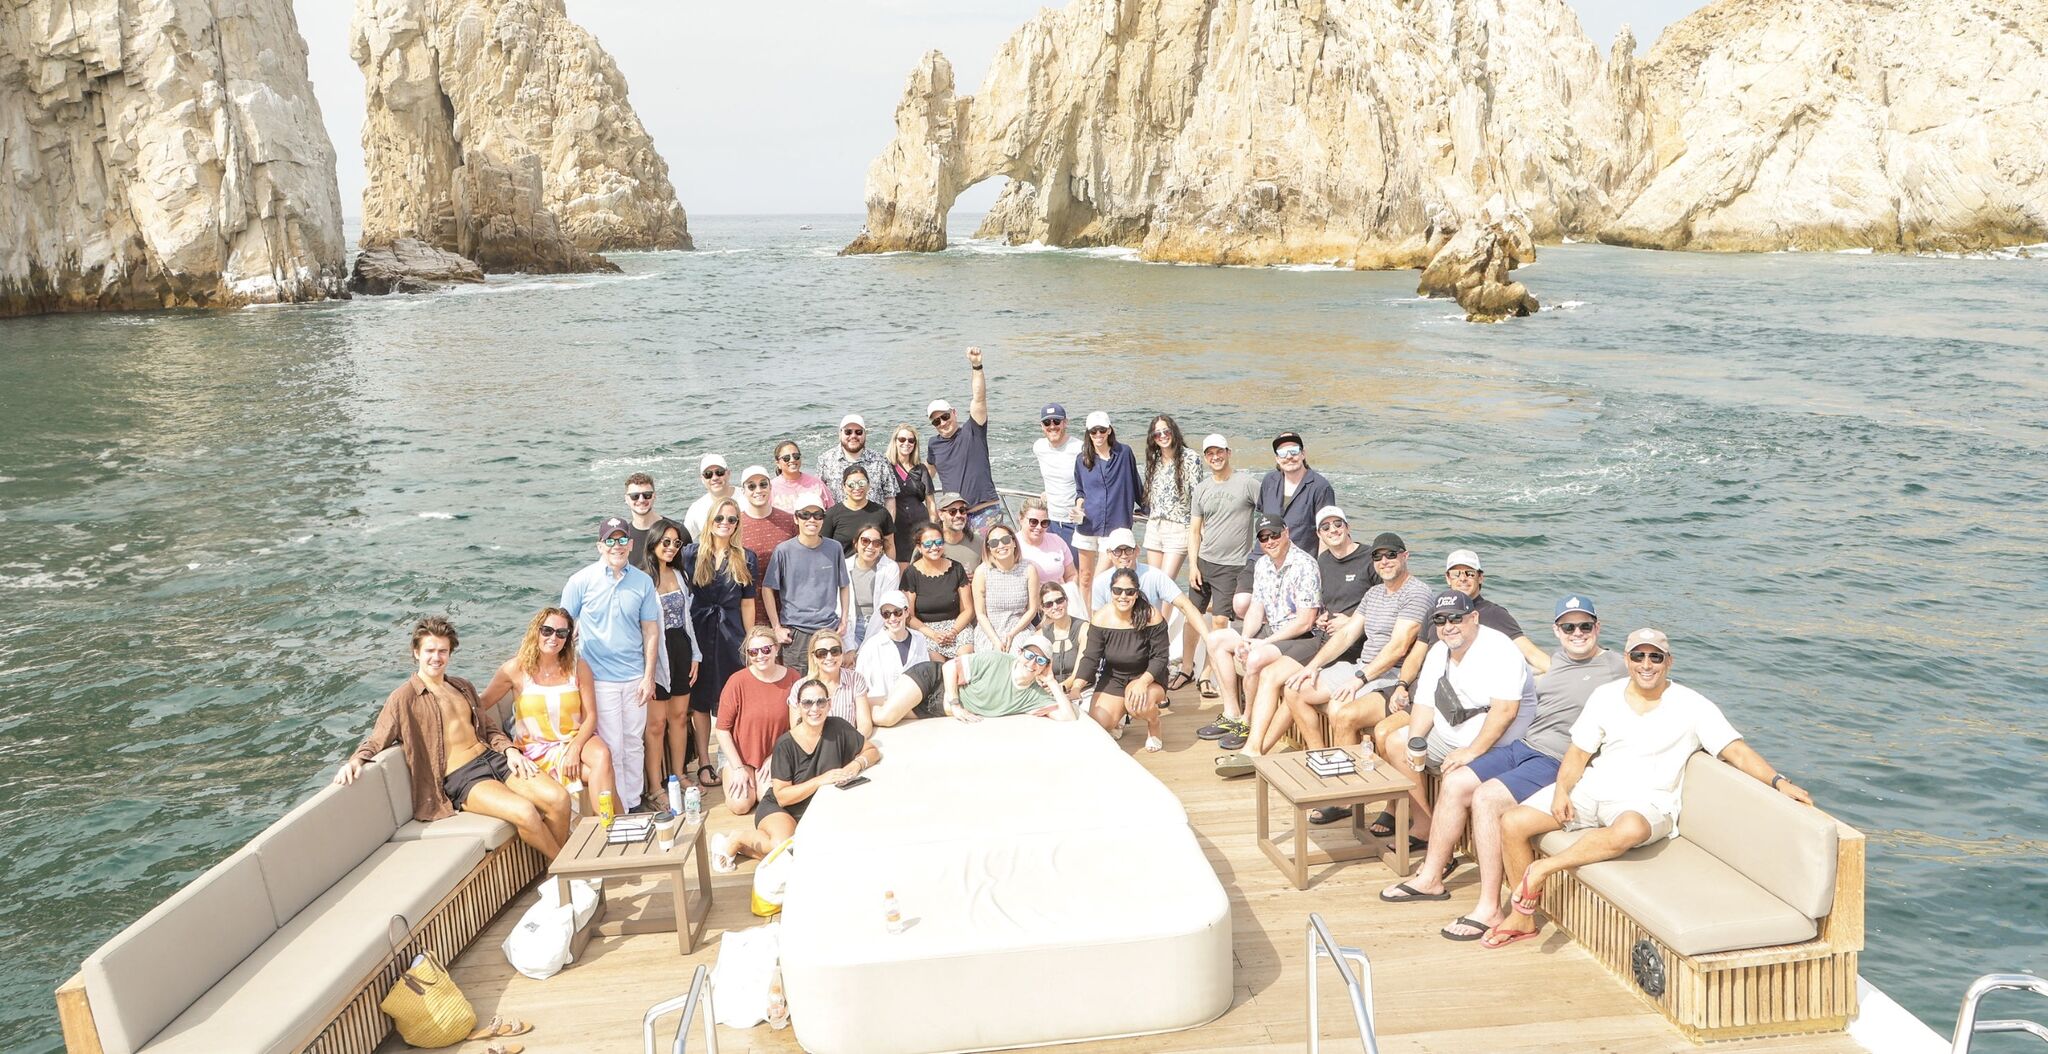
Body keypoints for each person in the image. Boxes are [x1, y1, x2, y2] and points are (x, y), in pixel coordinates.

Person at [1486, 628, 1812, 949]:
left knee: (1630, 829)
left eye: (1655, 657)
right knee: (1513, 822)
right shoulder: (1605, 696)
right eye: (1638, 656)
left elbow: (1736, 750)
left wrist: (1778, 782)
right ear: (1627, 660)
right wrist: (1561, 791)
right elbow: (1578, 753)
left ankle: (1543, 868)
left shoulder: (1692, 705)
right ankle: (1523, 917)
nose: (1646, 664)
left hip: (1647, 802)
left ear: (1668, 661)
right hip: (1594, 788)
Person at [1383, 595, 1625, 939]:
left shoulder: (1617, 667)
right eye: (1568, 627)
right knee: (1455, 782)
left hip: (1558, 758)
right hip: (1524, 746)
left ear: (1598, 628)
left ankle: (1490, 907)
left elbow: (1651, 684)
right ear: (1556, 631)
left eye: (1585, 626)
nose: (1577, 633)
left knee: (1486, 797)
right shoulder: (1557, 662)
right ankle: (1431, 878)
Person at [336, 617, 570, 857]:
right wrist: (356, 760)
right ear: (416, 652)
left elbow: (488, 728)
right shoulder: (404, 698)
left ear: (450, 653)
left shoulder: (462, 686)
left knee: (559, 799)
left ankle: (557, 869)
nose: (436, 657)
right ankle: (565, 869)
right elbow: (378, 738)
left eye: (443, 651)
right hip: (464, 777)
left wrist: (510, 751)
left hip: (495, 758)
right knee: (526, 812)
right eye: (430, 651)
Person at [1366, 590, 1537, 837]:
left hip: (1498, 745)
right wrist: (1415, 741)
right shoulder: (1439, 651)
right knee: (1396, 743)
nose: (1448, 626)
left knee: (1455, 778)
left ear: (1474, 617)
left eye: (1456, 618)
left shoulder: (1500, 649)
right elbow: (1425, 703)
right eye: (1440, 620)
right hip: (1451, 735)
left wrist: (1471, 751)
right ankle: (1424, 824)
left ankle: (1445, 844)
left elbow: (1505, 711)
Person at [1280, 531, 1434, 760]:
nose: (1384, 561)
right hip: (1363, 666)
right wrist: (1312, 666)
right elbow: (1346, 634)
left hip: (1392, 675)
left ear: (1405, 556)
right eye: (1377, 557)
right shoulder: (1374, 593)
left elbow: (1398, 647)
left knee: (1339, 708)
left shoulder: (1417, 593)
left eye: (1391, 555)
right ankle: (1320, 755)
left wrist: (1359, 679)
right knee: (1294, 689)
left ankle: (1348, 774)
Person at [710, 677, 882, 872]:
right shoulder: (786, 744)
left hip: (817, 810)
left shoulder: (839, 728)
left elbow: (872, 751)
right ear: (799, 707)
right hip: (783, 809)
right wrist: (821, 780)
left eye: (820, 701)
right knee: (782, 846)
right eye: (807, 703)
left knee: (808, 855)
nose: (814, 708)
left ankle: (762, 849)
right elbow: (782, 796)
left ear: (829, 704)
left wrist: (856, 765)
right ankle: (737, 838)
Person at [560, 517, 662, 812]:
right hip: (598, 679)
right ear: (599, 546)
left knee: (633, 742)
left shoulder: (643, 582)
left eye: (622, 540)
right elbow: (562, 626)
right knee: (612, 745)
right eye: (610, 540)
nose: (616, 546)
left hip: (635, 677)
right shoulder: (580, 581)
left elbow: (650, 630)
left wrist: (649, 676)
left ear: (631, 545)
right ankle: (621, 809)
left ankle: (634, 801)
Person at [1201, 516, 1320, 759]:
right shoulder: (1262, 564)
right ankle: (1232, 714)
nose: (1270, 541)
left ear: (1286, 532)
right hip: (1271, 631)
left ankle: (1247, 721)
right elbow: (1256, 608)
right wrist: (1245, 638)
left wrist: (1263, 643)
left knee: (1254, 659)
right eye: (1263, 538)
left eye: (1274, 535)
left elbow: (1306, 621)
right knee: (1216, 640)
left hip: (1300, 637)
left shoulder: (1305, 565)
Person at [476, 608, 616, 813]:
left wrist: (575, 749)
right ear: (536, 631)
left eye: (561, 633)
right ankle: (614, 822)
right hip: (536, 748)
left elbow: (591, 716)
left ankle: (608, 825)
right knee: (601, 775)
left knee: (602, 755)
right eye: (547, 631)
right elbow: (480, 705)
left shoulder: (579, 667)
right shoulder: (515, 669)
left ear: (568, 638)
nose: (553, 638)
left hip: (575, 738)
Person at [679, 498, 757, 787]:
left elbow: (748, 604)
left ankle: (730, 758)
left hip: (731, 633)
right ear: (710, 521)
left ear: (737, 524)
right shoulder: (690, 554)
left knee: (732, 697)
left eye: (732, 519)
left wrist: (750, 641)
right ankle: (704, 760)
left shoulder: (746, 557)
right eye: (720, 518)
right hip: (699, 632)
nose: (725, 523)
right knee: (700, 700)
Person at [1390, 549, 1552, 687]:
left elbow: (1530, 652)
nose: (1463, 578)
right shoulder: (1434, 612)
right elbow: (1416, 658)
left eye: (1469, 573)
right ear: (1448, 578)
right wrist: (1402, 685)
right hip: (1426, 683)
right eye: (1456, 574)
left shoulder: (1495, 614)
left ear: (1480, 577)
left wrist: (1561, 673)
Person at [1186, 433, 1259, 694]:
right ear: (1205, 458)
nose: (1215, 457)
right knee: (1192, 617)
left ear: (1228, 453)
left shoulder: (1247, 484)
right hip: (1203, 562)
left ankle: (1207, 673)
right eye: (1210, 454)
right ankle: (1186, 668)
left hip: (1232, 565)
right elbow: (1195, 531)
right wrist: (1192, 565)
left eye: (1219, 452)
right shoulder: (1202, 489)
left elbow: (1271, 514)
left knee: (1218, 621)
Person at [871, 635, 1077, 726]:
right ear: (1020, 653)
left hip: (938, 709)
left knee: (889, 707)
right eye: (1029, 655)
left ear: (1045, 665)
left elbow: (1068, 717)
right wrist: (955, 704)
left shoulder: (1034, 695)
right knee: (885, 718)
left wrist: (1051, 680)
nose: (1032, 663)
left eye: (1040, 660)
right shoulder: (997, 660)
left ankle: (861, 707)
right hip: (934, 680)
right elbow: (949, 666)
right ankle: (857, 712)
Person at [641, 519, 703, 808]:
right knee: (656, 724)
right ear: (653, 543)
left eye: (676, 543)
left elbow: (687, 619)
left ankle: (678, 774)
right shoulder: (642, 580)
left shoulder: (680, 574)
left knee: (679, 717)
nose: (671, 547)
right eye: (665, 542)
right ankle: (655, 787)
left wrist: (695, 655)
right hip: (656, 655)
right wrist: (647, 669)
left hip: (681, 649)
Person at [713, 626, 800, 816]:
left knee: (768, 798)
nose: (760, 656)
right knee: (740, 805)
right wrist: (737, 767)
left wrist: (776, 756)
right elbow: (722, 729)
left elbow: (798, 727)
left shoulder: (793, 678)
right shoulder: (737, 681)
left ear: (776, 648)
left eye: (766, 649)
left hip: (774, 754)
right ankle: (733, 775)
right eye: (753, 652)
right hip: (740, 755)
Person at [1080, 567, 1169, 751]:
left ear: (1136, 593)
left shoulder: (1152, 616)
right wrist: (1076, 687)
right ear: (1111, 591)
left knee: (1138, 706)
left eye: (1129, 591)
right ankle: (1120, 715)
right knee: (1100, 723)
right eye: (1117, 590)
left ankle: (1154, 723)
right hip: (1115, 676)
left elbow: (1161, 657)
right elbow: (1091, 658)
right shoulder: (1101, 618)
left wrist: (1143, 682)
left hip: (1148, 675)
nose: (1123, 596)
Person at [762, 501, 851, 668]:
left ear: (823, 519)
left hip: (828, 629)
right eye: (805, 515)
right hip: (796, 633)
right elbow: (767, 588)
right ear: (796, 518)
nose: (812, 520)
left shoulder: (834, 548)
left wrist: (844, 620)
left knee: (829, 679)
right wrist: (776, 627)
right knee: (798, 682)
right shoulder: (783, 550)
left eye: (818, 515)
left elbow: (844, 585)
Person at [927, 346, 1003, 534]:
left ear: (954, 413)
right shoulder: (933, 444)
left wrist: (976, 366)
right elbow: (925, 477)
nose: (942, 423)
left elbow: (979, 399)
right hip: (953, 516)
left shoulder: (973, 430)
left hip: (985, 512)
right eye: (936, 421)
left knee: (988, 552)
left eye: (945, 416)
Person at [1071, 411, 1143, 604]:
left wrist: (1147, 508)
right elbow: (1080, 491)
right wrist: (1078, 507)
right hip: (1087, 523)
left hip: (1115, 526)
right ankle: (1088, 617)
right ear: (1088, 433)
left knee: (1100, 579)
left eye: (1102, 430)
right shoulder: (1081, 459)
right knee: (1085, 578)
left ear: (1109, 430)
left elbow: (1136, 484)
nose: (1098, 435)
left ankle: (1099, 616)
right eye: (1093, 431)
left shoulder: (1124, 453)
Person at [900, 523, 976, 660]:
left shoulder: (957, 568)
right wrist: (933, 634)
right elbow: (909, 616)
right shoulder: (910, 574)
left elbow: (968, 610)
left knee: (964, 661)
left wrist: (953, 632)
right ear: (919, 547)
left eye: (939, 542)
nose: (934, 547)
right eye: (928, 544)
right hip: (925, 630)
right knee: (936, 665)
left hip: (957, 626)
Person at [1259, 431, 1337, 554]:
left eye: (1294, 451)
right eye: (1283, 453)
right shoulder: (1269, 481)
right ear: (1277, 459)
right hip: (1264, 557)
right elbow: (1262, 521)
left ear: (1303, 454)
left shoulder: (1321, 487)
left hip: (1301, 560)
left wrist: (1321, 564)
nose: (1289, 456)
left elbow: (1327, 534)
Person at [854, 589, 932, 709]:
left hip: (914, 709)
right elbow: (859, 685)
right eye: (886, 614)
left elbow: (925, 676)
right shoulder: (871, 646)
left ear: (906, 612)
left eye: (897, 612)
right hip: (883, 709)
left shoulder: (919, 639)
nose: (892, 618)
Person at [787, 629, 871, 737]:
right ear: (814, 657)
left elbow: (865, 725)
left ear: (842, 653)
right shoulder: (799, 687)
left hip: (850, 743)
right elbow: (797, 730)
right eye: (822, 653)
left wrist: (849, 744)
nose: (829, 657)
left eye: (835, 651)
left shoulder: (856, 679)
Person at [973, 523, 1041, 653]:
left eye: (1005, 540)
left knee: (1018, 656)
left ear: (1014, 542)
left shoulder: (1029, 569)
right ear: (989, 548)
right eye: (994, 543)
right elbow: (980, 614)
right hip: (989, 631)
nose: (1001, 545)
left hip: (1020, 629)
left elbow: (1032, 609)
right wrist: (995, 640)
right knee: (993, 658)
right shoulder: (981, 572)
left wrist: (1012, 634)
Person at [885, 423, 940, 564]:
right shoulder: (886, 467)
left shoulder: (921, 469)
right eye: (902, 439)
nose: (906, 443)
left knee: (922, 563)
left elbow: (930, 501)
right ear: (895, 441)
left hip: (920, 523)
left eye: (911, 440)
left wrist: (933, 527)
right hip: (897, 526)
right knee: (899, 565)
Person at [1032, 402, 1083, 544]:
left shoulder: (1080, 448)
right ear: (1042, 426)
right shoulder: (1039, 447)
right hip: (1048, 522)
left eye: (1056, 421)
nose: (1052, 426)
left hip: (1074, 522)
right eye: (1047, 422)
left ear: (1065, 423)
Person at [841, 523, 899, 648]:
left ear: (881, 547)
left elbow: (885, 607)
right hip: (849, 626)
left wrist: (866, 648)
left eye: (877, 543)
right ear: (856, 543)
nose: (870, 546)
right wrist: (850, 647)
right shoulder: (844, 567)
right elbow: (839, 608)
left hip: (881, 626)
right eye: (865, 541)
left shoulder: (890, 568)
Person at [817, 413, 895, 505]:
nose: (853, 436)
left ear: (865, 434)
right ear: (840, 434)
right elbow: (819, 496)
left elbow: (890, 498)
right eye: (848, 432)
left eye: (858, 432)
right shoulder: (825, 460)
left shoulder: (881, 461)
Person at [822, 464, 894, 559]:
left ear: (868, 485)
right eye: (851, 484)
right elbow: (824, 548)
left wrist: (891, 566)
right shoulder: (831, 515)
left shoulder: (881, 513)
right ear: (844, 487)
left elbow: (889, 546)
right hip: (842, 566)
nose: (857, 488)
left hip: (874, 566)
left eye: (861, 483)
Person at [737, 464, 798, 575]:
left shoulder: (789, 520)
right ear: (743, 491)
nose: (758, 490)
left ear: (770, 487)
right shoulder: (735, 525)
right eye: (751, 486)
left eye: (763, 484)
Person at [1039, 581, 1092, 708]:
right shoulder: (1040, 635)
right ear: (1043, 609)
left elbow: (1081, 670)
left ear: (1066, 601)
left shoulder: (1084, 628)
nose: (1055, 606)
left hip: (1082, 690)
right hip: (1051, 692)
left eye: (1059, 601)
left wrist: (1061, 687)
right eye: (1049, 604)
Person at [620, 472, 687, 570]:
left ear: (654, 496)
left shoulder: (677, 531)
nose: (641, 500)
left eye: (647, 495)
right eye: (635, 496)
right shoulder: (623, 538)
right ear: (626, 499)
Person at [1016, 496, 1077, 592]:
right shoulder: (1012, 545)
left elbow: (1071, 575)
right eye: (1033, 522)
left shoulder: (1057, 541)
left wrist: (1068, 593)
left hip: (1057, 597)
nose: (1039, 527)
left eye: (1044, 522)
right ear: (1021, 519)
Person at [768, 440, 835, 515]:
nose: (792, 460)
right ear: (778, 463)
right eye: (786, 458)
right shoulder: (770, 488)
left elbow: (832, 512)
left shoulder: (817, 484)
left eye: (796, 456)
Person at [683, 454, 733, 539]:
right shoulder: (696, 509)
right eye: (708, 474)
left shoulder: (747, 497)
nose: (714, 478)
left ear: (728, 473)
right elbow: (684, 540)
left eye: (719, 472)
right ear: (702, 479)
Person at [934, 492, 983, 576]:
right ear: (941, 515)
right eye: (952, 511)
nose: (958, 515)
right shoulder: (929, 545)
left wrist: (976, 578)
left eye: (962, 510)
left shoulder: (980, 543)